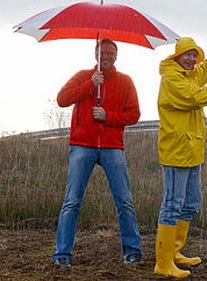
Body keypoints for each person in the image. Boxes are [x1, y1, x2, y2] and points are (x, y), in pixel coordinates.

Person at [154, 26, 207, 278]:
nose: (192, 60)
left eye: (195, 55)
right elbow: (193, 98)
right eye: (187, 55)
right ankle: (163, 262)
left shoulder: (191, 74)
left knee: (190, 204)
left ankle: (174, 253)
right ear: (176, 57)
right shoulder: (173, 79)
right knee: (172, 205)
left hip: (192, 150)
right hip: (176, 151)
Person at [51, 39, 144, 268]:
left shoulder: (125, 81)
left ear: (116, 56)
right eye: (103, 52)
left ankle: (132, 252)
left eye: (111, 53)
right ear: (95, 54)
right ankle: (62, 254)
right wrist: (90, 85)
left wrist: (108, 116)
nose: (107, 56)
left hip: (113, 147)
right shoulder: (83, 76)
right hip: (82, 145)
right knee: (72, 201)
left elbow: (134, 115)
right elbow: (62, 99)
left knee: (125, 201)